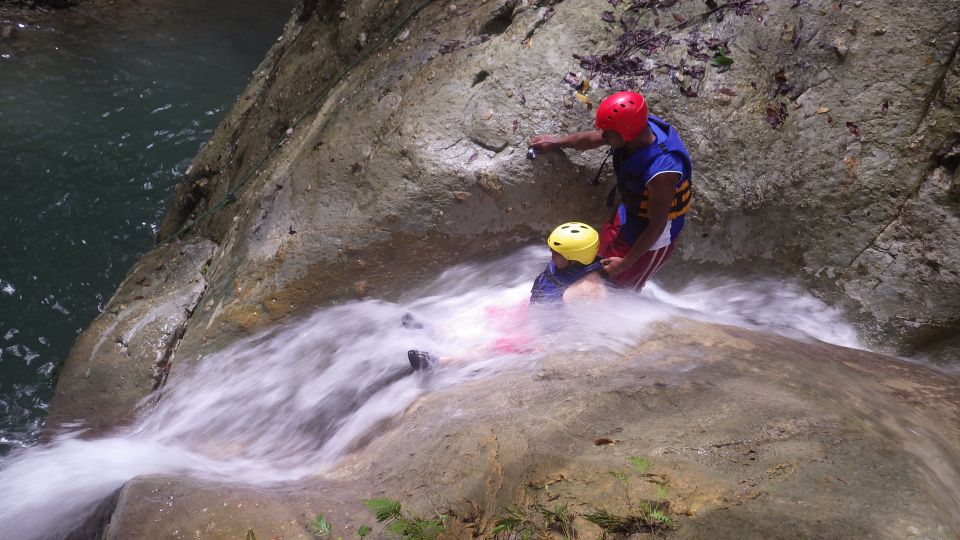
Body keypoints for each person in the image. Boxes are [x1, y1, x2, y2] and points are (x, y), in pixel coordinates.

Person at [529, 91, 692, 292]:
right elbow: (591, 139)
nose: (604, 136)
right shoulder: (635, 128)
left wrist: (625, 263)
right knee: (595, 265)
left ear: (626, 133)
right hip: (628, 216)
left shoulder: (662, 172)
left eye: (609, 134)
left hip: (653, 239)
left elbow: (656, 225)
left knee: (618, 290)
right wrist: (556, 142)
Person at [407, 222, 606, 370]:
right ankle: (438, 331)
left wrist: (547, 346)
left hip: (545, 335)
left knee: (496, 345)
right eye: (552, 250)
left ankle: (440, 363)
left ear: (576, 258)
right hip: (536, 313)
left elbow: (583, 330)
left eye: (556, 253)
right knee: (489, 313)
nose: (550, 254)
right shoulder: (566, 263)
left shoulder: (588, 289)